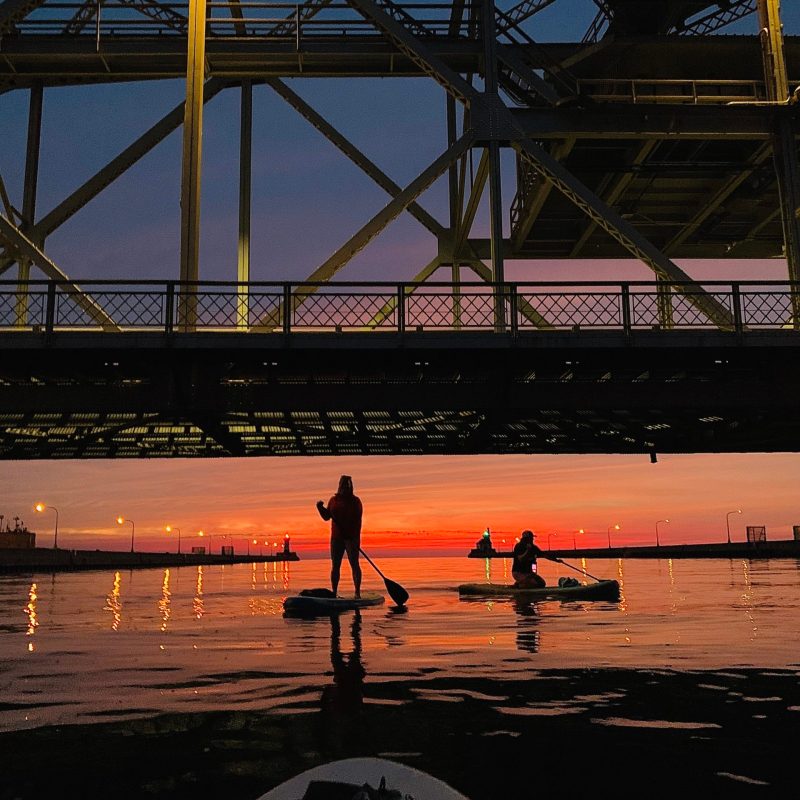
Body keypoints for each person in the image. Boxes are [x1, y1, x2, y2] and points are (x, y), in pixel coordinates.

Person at [317, 475, 363, 598]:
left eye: (348, 485)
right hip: (336, 538)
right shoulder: (333, 500)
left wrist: (352, 536)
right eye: (343, 485)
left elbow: (357, 520)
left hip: (351, 538)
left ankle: (357, 592)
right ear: (340, 486)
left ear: (351, 487)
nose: (345, 487)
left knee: (354, 564)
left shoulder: (356, 501)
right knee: (335, 565)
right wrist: (320, 508)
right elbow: (327, 517)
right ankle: (334, 592)